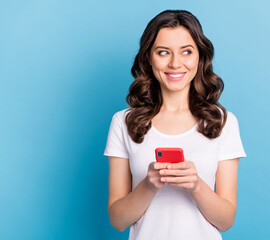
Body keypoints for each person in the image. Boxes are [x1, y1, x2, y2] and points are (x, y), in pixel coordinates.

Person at [104, 9, 246, 240]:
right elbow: (118, 220)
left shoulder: (223, 122)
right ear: (149, 58)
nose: (175, 63)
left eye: (186, 52)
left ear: (199, 57)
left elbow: (226, 221)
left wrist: (196, 185)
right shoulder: (123, 122)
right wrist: (149, 185)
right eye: (163, 52)